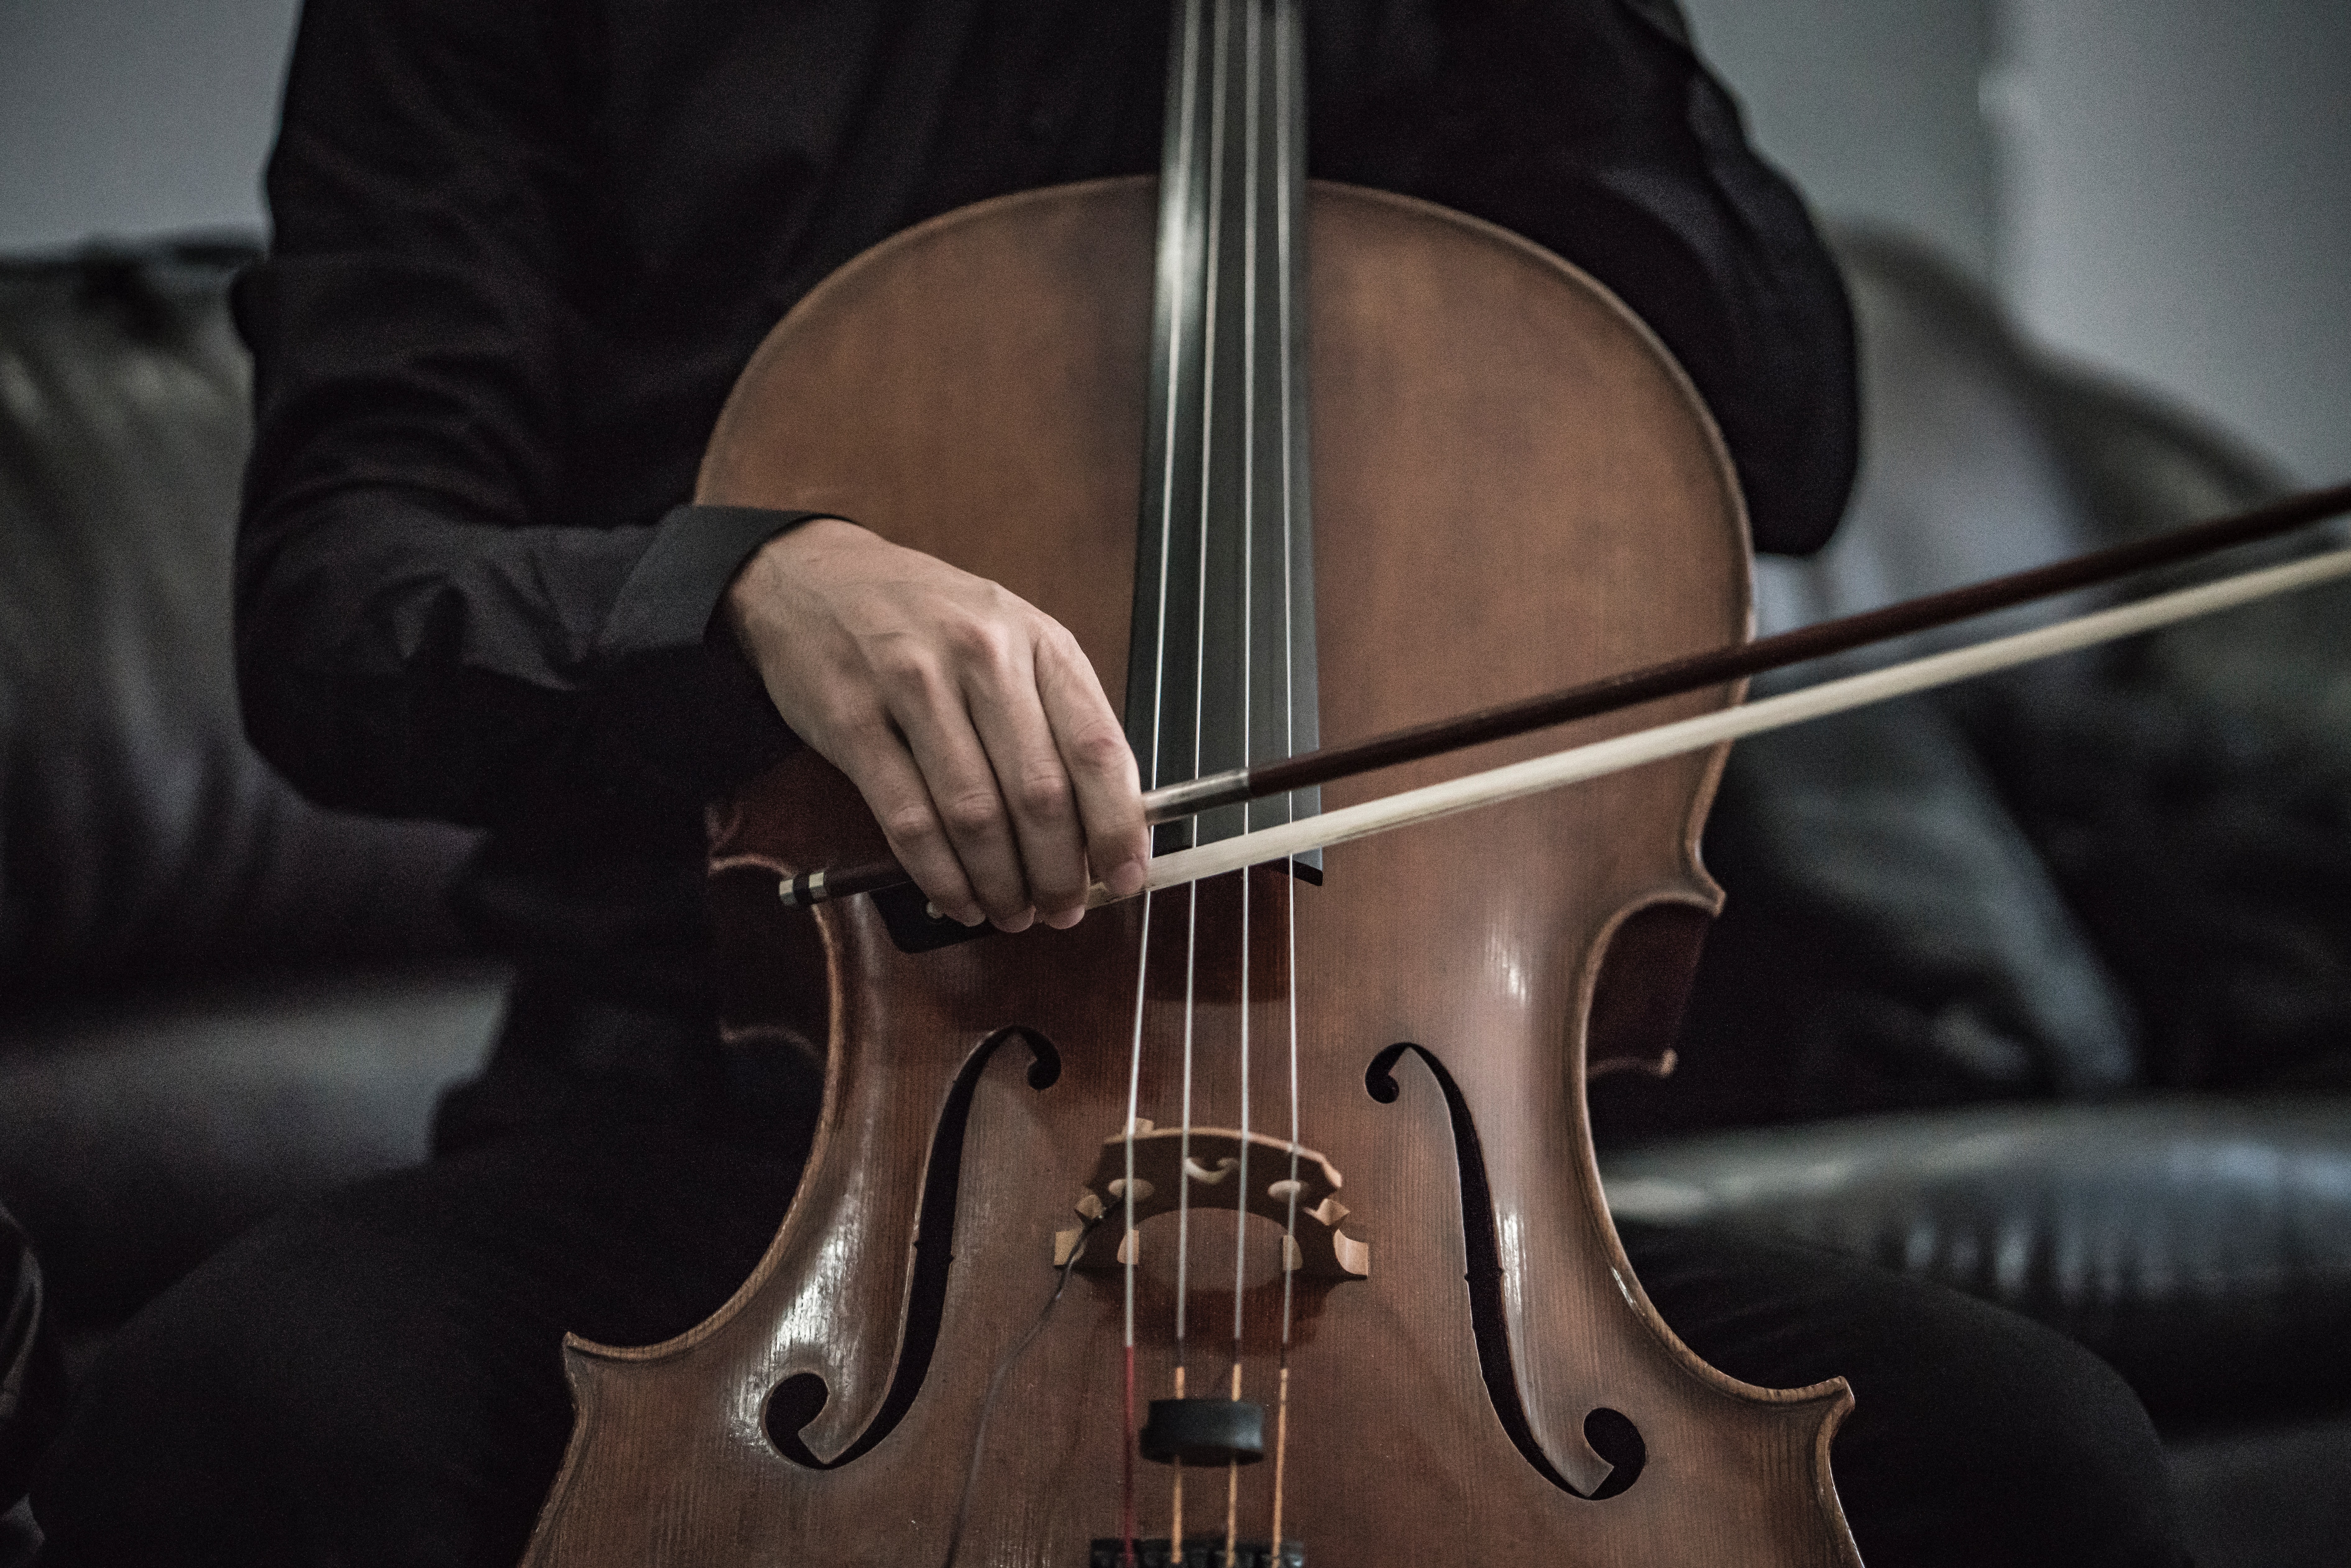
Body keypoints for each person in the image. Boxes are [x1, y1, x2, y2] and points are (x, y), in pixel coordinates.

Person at [28, 2, 2185, 1565]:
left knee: (2039, 1465)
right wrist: (746, 589)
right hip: (732, 1141)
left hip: (1415, 1181)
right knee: (252, 1416)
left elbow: (1782, 432)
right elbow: (340, 598)